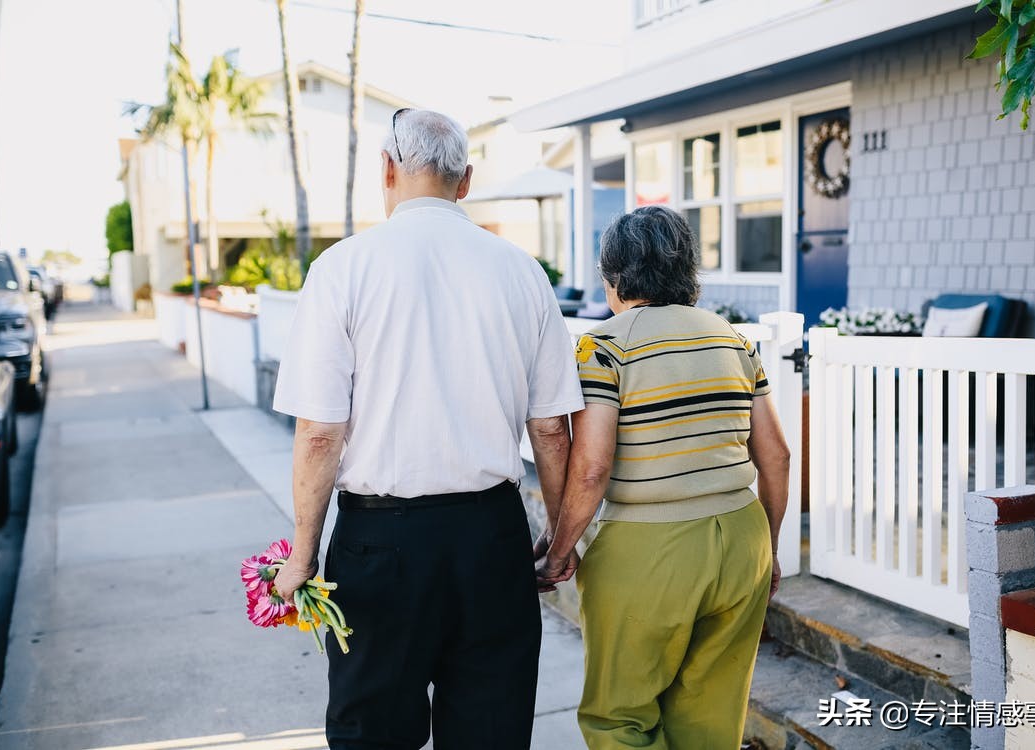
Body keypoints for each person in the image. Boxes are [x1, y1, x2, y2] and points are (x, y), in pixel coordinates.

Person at [271, 108, 584, 750]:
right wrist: (558, 537)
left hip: (376, 543)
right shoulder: (522, 271)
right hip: (491, 539)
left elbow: (320, 432)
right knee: (490, 731)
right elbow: (551, 429)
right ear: (465, 181)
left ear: (387, 169)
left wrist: (302, 553)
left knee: (373, 734)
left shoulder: (343, 269)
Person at [536, 205, 791, 749]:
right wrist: (769, 549)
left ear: (615, 277)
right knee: (712, 719)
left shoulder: (604, 345)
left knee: (619, 720)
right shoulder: (734, 340)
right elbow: (778, 457)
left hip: (649, 548)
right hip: (742, 538)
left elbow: (592, 469)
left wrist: (560, 550)